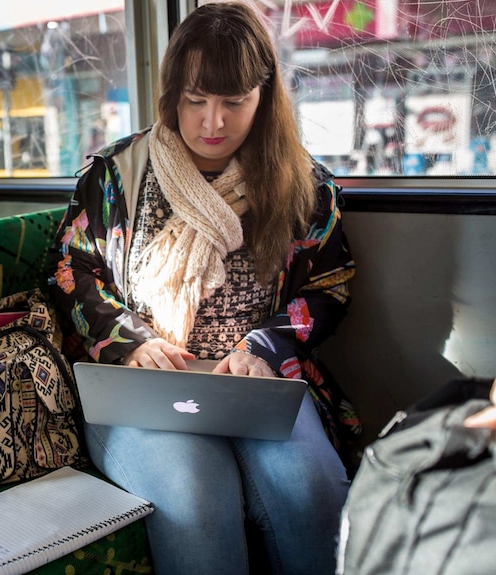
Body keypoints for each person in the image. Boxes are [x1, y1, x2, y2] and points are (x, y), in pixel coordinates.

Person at [47, 3, 358, 574]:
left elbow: (329, 284)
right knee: (195, 500)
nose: (212, 122)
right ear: (172, 96)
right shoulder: (116, 174)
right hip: (144, 382)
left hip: (257, 382)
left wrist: (263, 348)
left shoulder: (303, 185)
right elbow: (73, 270)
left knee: (313, 491)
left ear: (263, 99)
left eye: (233, 102)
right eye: (196, 100)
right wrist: (130, 341)